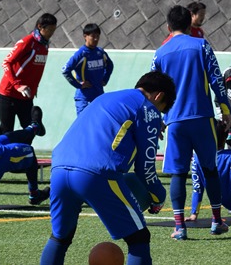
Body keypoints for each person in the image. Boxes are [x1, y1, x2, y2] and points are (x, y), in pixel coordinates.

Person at [39, 71, 175, 265]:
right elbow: (145, 169)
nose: (157, 113)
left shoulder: (106, 97)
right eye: (161, 109)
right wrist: (158, 196)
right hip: (96, 173)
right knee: (139, 238)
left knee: (60, 237)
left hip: (59, 169)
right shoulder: (148, 109)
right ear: (159, 96)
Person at [150, 5, 231, 240]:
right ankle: (216, 220)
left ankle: (179, 227)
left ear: (168, 27)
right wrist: (225, 109)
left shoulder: (160, 53)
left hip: (174, 121)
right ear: (190, 25)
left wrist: (156, 119)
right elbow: (217, 79)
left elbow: (151, 88)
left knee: (178, 173)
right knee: (210, 169)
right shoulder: (201, 45)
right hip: (201, 117)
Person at [0, 13, 57, 140]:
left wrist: (34, 87)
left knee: (30, 130)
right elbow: (6, 63)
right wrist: (17, 85)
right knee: (5, 131)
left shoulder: (45, 45)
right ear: (40, 27)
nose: (51, 33)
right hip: (8, 94)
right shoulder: (27, 42)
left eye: (54, 30)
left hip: (25, 96)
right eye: (49, 30)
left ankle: (28, 138)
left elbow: (36, 69)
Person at [61, 23, 115, 116]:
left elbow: (110, 65)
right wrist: (79, 85)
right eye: (93, 36)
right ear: (85, 36)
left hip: (99, 96)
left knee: (99, 121)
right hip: (84, 98)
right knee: (84, 121)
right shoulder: (81, 54)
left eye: (98, 36)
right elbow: (65, 70)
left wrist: (105, 79)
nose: (96, 39)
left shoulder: (100, 52)